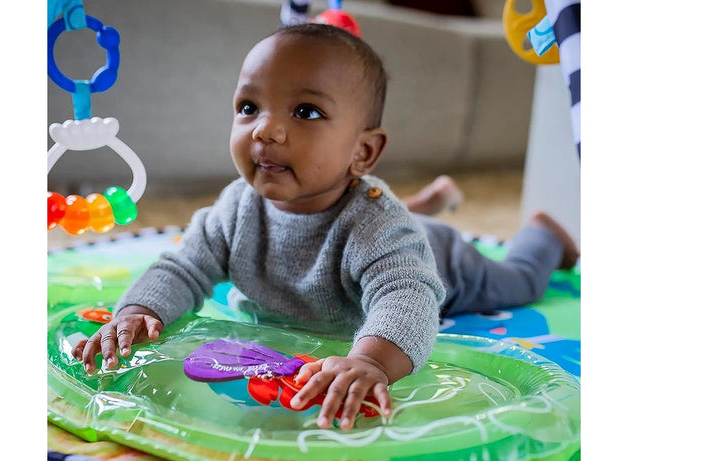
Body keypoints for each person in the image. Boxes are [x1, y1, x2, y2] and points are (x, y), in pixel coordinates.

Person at [73, 22, 578, 431]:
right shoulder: (235, 208)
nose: (266, 129)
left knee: (519, 280)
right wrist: (139, 310)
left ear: (363, 151)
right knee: (396, 222)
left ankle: (544, 235)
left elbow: (407, 296)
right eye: (249, 107)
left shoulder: (376, 230)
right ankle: (426, 203)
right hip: (385, 224)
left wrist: (373, 362)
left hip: (442, 263)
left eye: (306, 111)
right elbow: (182, 266)